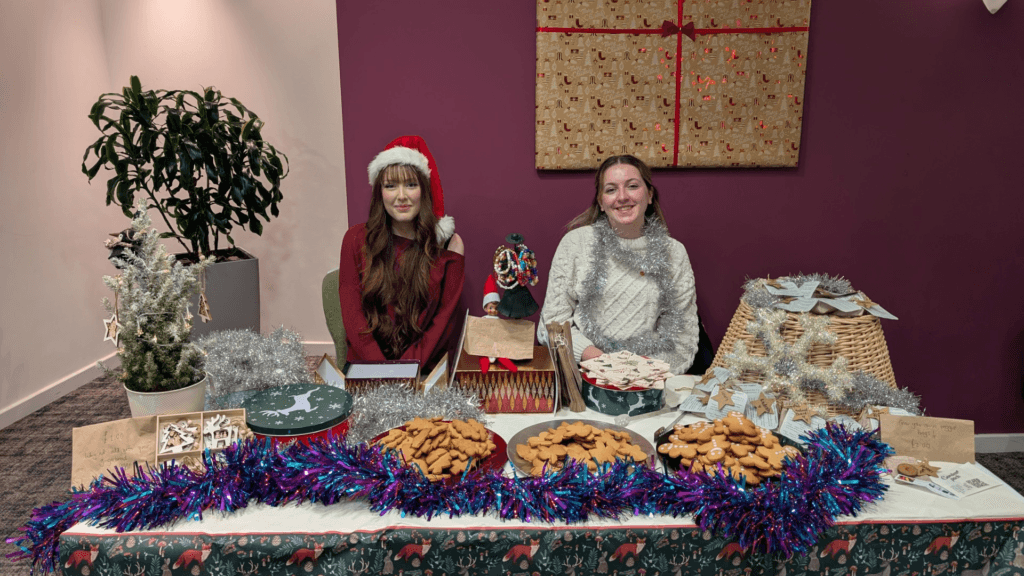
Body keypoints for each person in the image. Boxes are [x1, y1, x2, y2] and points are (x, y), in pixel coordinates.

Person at [537, 154, 700, 374]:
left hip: (651, 382)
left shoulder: (674, 253)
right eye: (611, 189)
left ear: (650, 195)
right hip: (585, 377)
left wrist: (638, 374)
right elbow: (552, 326)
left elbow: (683, 339)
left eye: (632, 186)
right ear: (601, 203)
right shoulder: (575, 244)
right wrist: (603, 362)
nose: (622, 197)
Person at [338, 135, 465, 368]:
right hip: (367, 369)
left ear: (424, 190)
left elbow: (443, 324)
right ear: (380, 193)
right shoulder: (355, 239)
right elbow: (353, 317)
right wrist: (384, 372)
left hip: (421, 369)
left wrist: (405, 371)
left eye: (411, 184)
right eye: (390, 186)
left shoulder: (447, 247)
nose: (401, 196)